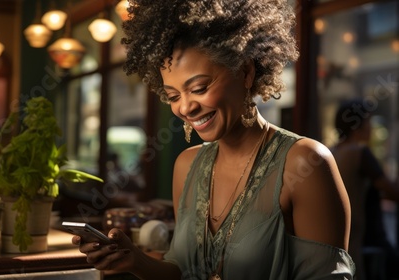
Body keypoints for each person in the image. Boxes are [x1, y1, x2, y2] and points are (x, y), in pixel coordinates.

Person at [72, 0, 355, 278]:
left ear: (245, 72)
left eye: (199, 87)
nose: (185, 107)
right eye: (173, 96)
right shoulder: (187, 165)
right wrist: (135, 262)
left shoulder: (304, 163)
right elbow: (182, 271)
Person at [331, 98, 399, 280]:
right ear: (358, 125)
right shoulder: (360, 153)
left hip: (341, 243)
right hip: (366, 241)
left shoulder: (331, 151)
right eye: (368, 121)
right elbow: (392, 191)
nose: (371, 128)